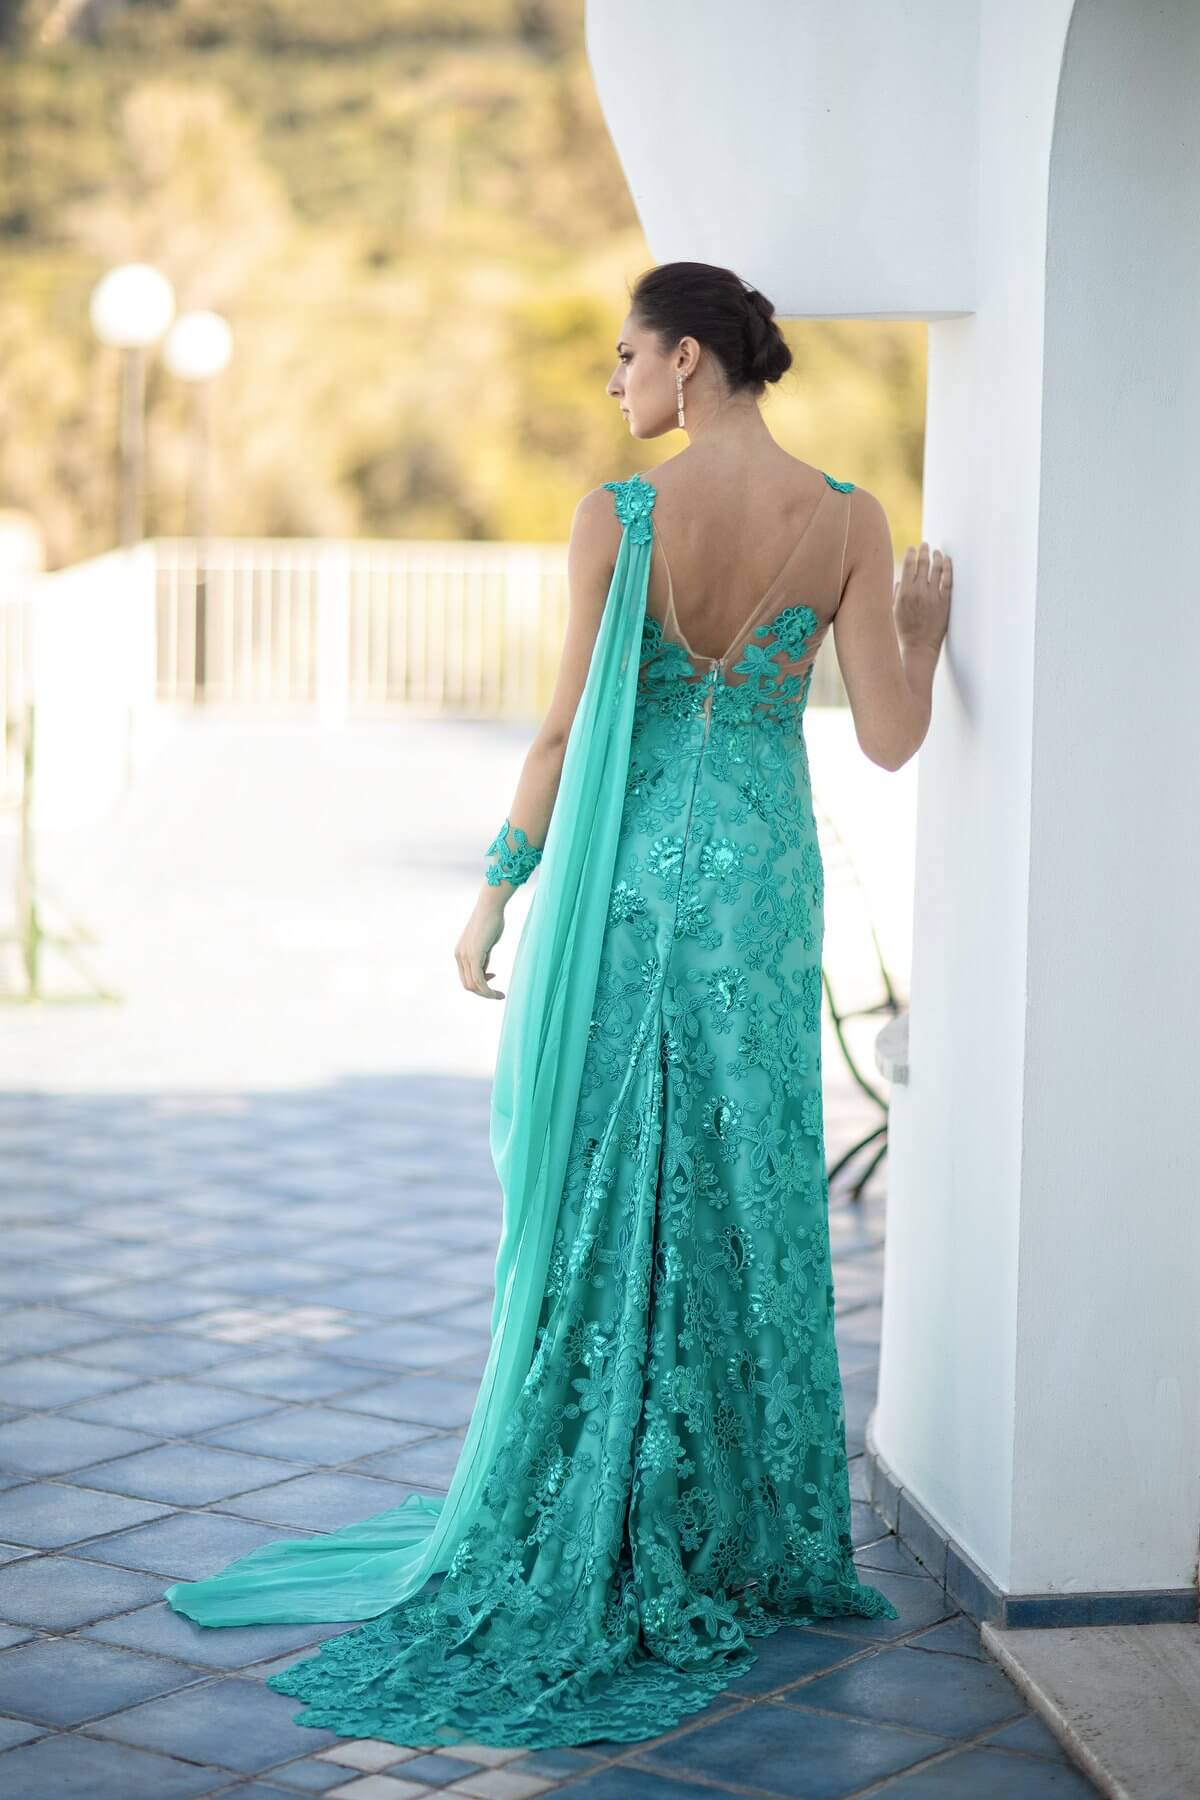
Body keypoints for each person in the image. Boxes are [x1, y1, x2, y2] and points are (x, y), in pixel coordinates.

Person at [164, 260, 952, 1750]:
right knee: (746, 1177)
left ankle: (608, 1483)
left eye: (628, 356)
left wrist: (497, 889)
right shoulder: (852, 522)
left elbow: (559, 730)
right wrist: (919, 632)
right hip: (759, 891)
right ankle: (750, 1521)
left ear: (692, 361)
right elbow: (894, 740)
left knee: (616, 1178)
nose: (615, 381)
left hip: (630, 886)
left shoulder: (621, 516)